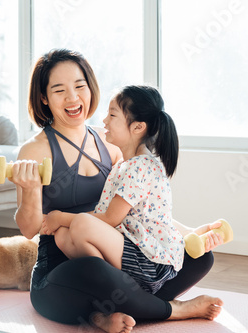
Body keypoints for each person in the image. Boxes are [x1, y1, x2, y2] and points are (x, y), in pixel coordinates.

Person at [10, 48, 224, 333]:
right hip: (64, 268)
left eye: (79, 86)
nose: (73, 98)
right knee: (94, 270)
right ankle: (171, 310)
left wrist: (191, 233)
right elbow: (29, 229)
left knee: (200, 257)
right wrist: (31, 190)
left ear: (90, 88)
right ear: (44, 98)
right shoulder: (34, 149)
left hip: (116, 259)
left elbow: (138, 214)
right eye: (59, 90)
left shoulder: (112, 143)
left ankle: (108, 312)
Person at [42, 85, 187, 295]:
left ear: (138, 127)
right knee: (62, 236)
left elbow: (110, 218)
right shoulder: (124, 165)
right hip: (132, 251)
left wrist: (59, 217)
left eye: (112, 114)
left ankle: (115, 289)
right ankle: (109, 285)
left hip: (150, 261)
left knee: (79, 223)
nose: (104, 121)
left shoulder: (140, 166)